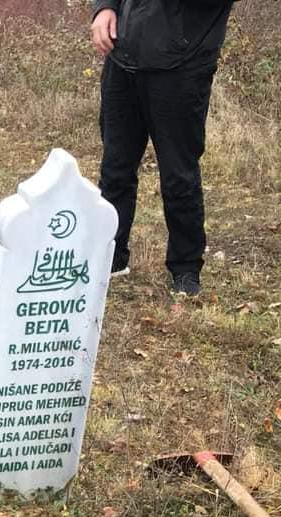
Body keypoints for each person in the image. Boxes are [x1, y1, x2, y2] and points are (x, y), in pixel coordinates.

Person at [91, 0, 237, 296]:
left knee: (178, 173)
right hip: (123, 58)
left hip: (182, 65)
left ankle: (185, 269)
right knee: (115, 168)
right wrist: (104, 7)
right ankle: (111, 257)